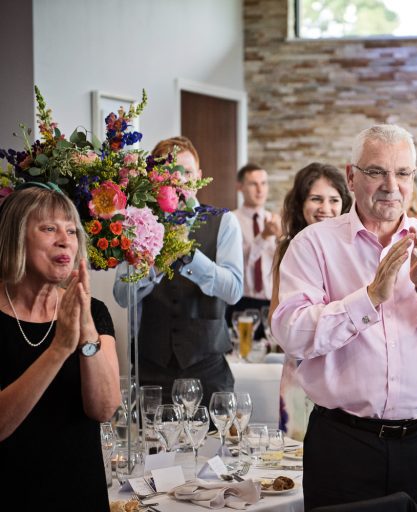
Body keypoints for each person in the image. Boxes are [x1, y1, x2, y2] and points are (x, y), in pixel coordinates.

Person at [272, 124, 417, 512]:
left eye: (402, 173)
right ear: (352, 176)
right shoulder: (315, 244)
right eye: (377, 172)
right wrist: (369, 298)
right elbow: (291, 332)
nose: (392, 184)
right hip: (343, 445)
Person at [0, 185, 121, 510]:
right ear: (15, 236)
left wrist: (85, 333)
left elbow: (105, 409)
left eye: (71, 230)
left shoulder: (92, 312)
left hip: (80, 495)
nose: (65, 239)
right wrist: (59, 349)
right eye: (49, 228)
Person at [113, 136, 243, 407]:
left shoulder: (224, 222)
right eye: (167, 172)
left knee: (211, 448)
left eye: (185, 172)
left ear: (198, 176)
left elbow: (233, 291)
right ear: (154, 178)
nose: (177, 180)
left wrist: (191, 258)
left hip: (208, 370)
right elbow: (122, 295)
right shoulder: (137, 224)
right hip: (151, 368)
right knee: (153, 448)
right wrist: (153, 268)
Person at [267, 162, 352, 441]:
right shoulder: (289, 247)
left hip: (348, 367)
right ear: (300, 204)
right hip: (301, 369)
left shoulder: (354, 248)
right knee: (299, 454)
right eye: (316, 199)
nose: (325, 208)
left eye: (333, 200)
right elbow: (276, 320)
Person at [228, 163, 282, 340]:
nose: (260, 190)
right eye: (253, 184)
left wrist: (282, 239)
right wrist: (264, 236)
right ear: (239, 187)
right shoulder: (230, 220)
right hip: (242, 303)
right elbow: (239, 261)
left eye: (264, 183)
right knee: (243, 357)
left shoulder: (276, 221)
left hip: (273, 303)